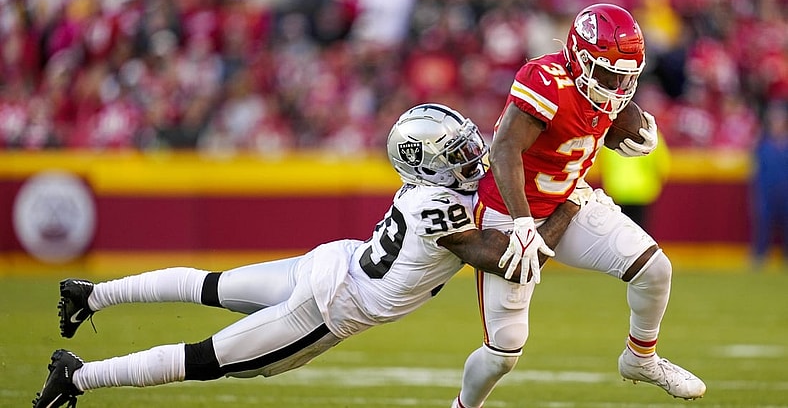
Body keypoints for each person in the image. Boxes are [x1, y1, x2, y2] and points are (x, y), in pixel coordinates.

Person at [32, 103, 581, 408]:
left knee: (208, 285)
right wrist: (570, 206)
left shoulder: (434, 190)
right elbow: (512, 260)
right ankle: (77, 378)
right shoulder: (439, 206)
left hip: (330, 264)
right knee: (205, 359)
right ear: (427, 164)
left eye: (469, 143)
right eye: (458, 151)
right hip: (330, 306)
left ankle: (91, 296)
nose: (474, 155)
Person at [452, 4, 706, 408]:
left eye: (627, 75)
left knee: (655, 269)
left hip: (571, 200)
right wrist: (520, 222)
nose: (619, 84)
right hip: (511, 211)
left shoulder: (605, 90)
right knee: (504, 352)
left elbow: (609, 115)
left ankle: (641, 357)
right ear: (580, 58)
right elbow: (503, 150)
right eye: (610, 72)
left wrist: (636, 125)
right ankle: (464, 405)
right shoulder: (546, 80)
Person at [596, 129, 671, 231]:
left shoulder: (609, 135)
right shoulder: (653, 135)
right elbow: (662, 166)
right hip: (642, 191)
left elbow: (600, 163)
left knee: (618, 231)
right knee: (639, 232)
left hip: (617, 189)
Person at [751, 102, 787, 268]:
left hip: (785, 192)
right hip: (766, 192)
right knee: (763, 226)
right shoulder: (762, 144)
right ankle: (760, 257)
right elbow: (756, 171)